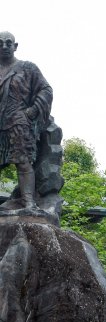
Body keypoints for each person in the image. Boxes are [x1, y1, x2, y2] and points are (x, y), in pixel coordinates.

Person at [0, 31, 53, 209]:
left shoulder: (28, 68)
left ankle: (28, 202)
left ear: (15, 46)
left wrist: (32, 111)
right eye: (0, 43)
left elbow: (45, 89)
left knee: (23, 162)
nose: (5, 46)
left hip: (18, 123)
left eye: (8, 43)